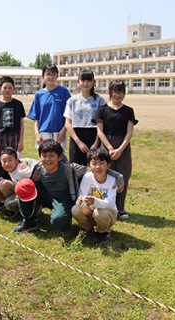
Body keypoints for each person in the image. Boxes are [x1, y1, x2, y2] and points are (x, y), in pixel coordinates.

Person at [13, 139, 124, 233]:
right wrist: (23, 163)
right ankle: (29, 221)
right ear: (40, 157)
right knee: (24, 186)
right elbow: (14, 160)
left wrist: (118, 176)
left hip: (63, 201)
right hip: (45, 196)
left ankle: (64, 217)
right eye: (44, 156)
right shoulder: (37, 166)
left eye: (52, 156)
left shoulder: (70, 169)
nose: (47, 159)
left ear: (60, 157)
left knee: (60, 224)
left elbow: (95, 168)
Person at [95, 80, 138, 220]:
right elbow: (100, 132)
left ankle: (121, 208)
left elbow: (129, 132)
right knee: (105, 176)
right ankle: (107, 205)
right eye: (115, 91)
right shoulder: (102, 109)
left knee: (123, 176)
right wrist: (110, 148)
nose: (117, 94)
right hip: (106, 146)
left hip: (123, 147)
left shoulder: (128, 111)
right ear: (109, 92)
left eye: (120, 91)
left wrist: (119, 149)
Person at [71, 148, 117, 242]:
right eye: (94, 163)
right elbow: (82, 194)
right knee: (75, 209)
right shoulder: (87, 177)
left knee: (100, 212)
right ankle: (86, 228)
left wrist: (95, 201)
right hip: (90, 211)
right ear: (89, 166)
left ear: (108, 165)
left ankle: (103, 231)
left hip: (108, 213)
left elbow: (109, 202)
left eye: (101, 163)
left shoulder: (112, 181)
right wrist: (81, 200)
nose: (98, 167)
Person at [64, 70, 106, 165]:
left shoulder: (100, 100)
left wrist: (96, 143)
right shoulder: (72, 101)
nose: (85, 83)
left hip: (94, 136)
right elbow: (68, 123)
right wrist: (79, 142)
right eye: (83, 80)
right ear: (78, 82)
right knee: (76, 168)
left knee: (95, 166)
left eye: (89, 80)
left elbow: (102, 124)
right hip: (77, 138)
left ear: (94, 82)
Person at [27, 64, 71, 151]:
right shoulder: (39, 94)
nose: (51, 77)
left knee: (60, 159)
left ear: (57, 76)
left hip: (59, 132)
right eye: (48, 74)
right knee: (45, 159)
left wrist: (64, 131)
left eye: (54, 74)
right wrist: (37, 134)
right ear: (43, 76)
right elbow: (36, 117)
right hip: (43, 133)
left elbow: (69, 114)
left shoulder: (63, 91)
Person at [0, 76, 26, 156]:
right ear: (0, 89)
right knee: (2, 159)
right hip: (1, 136)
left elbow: (21, 123)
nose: (7, 90)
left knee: (15, 159)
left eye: (10, 88)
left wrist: (21, 141)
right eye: (5, 88)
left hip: (15, 136)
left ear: (14, 89)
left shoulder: (18, 104)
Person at [0, 147, 40, 215]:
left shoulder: (21, 170)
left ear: (17, 161)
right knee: (8, 202)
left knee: (8, 204)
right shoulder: (10, 169)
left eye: (10, 160)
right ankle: (22, 211)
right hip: (22, 193)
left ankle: (35, 208)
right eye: (4, 161)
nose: (7, 164)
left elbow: (37, 165)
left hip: (33, 194)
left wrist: (26, 163)